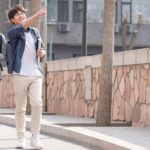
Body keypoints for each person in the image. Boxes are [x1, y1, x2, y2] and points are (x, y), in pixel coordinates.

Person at [7, 4, 46, 149]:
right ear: (12, 20)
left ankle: (35, 137)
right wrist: (37, 15)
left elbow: (41, 48)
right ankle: (20, 137)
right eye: (18, 15)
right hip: (19, 74)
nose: (22, 15)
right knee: (20, 109)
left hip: (35, 74)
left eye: (23, 13)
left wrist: (42, 53)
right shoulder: (13, 32)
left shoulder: (35, 32)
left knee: (37, 104)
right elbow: (24, 25)